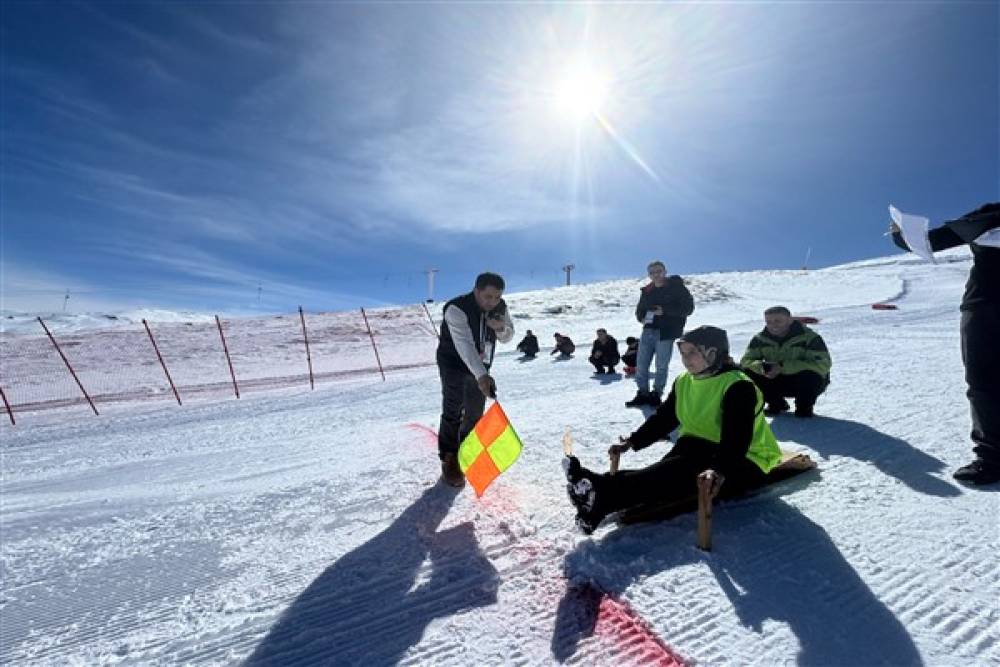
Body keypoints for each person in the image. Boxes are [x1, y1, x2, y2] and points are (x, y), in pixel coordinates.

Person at [563, 325, 782, 533]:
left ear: (713, 353)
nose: (686, 360)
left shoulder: (738, 386)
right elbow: (665, 418)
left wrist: (719, 470)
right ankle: (595, 492)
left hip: (744, 459)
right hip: (698, 446)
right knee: (662, 474)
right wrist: (633, 441)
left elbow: (737, 438)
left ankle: (599, 494)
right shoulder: (685, 381)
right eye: (683, 353)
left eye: (692, 353)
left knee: (671, 476)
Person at [890, 202, 1000, 485]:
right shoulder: (990, 213)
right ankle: (992, 460)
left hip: (982, 305)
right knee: (984, 383)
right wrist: (901, 235)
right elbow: (934, 241)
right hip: (984, 304)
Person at [436, 272, 515, 487]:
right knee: (453, 407)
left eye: (497, 297)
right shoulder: (456, 308)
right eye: (488, 296)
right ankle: (449, 457)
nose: (493, 302)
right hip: (453, 362)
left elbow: (508, 336)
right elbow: (464, 345)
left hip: (482, 363)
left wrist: (499, 328)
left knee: (475, 409)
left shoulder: (500, 306)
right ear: (476, 290)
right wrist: (481, 376)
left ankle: (467, 449)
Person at [740, 306, 832, 418]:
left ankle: (804, 407)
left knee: (811, 374)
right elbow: (746, 361)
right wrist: (762, 367)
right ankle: (776, 403)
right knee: (746, 372)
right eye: (769, 321)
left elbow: (823, 364)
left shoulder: (809, 338)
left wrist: (782, 366)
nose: (773, 325)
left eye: (778, 321)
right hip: (776, 379)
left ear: (790, 320)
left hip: (803, 382)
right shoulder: (760, 339)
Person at [626, 260, 695, 408]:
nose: (656, 275)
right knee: (641, 365)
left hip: (666, 333)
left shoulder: (676, 287)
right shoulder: (647, 291)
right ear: (649, 275)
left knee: (661, 366)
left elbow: (688, 308)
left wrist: (665, 311)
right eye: (652, 272)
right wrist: (642, 318)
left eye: (658, 271)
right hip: (647, 331)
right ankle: (643, 393)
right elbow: (639, 311)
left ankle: (656, 395)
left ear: (665, 271)